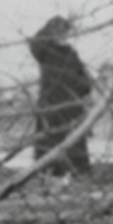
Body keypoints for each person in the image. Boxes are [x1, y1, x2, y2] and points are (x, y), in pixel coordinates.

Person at [26, 16, 94, 176]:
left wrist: (83, 88)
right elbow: (36, 43)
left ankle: (73, 176)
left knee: (74, 145)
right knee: (50, 143)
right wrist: (51, 29)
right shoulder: (46, 51)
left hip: (72, 106)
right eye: (60, 32)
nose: (64, 36)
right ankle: (49, 176)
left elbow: (83, 78)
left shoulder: (71, 53)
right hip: (52, 105)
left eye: (66, 32)